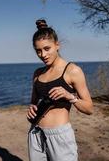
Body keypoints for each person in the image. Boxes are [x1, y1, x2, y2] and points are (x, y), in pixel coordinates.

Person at [26, 19, 94, 161]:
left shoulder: (72, 71)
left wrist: (70, 97)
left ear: (57, 45)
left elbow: (89, 108)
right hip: (35, 133)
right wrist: (31, 108)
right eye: (38, 51)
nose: (43, 55)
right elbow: (33, 102)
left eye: (47, 49)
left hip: (60, 137)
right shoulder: (37, 73)